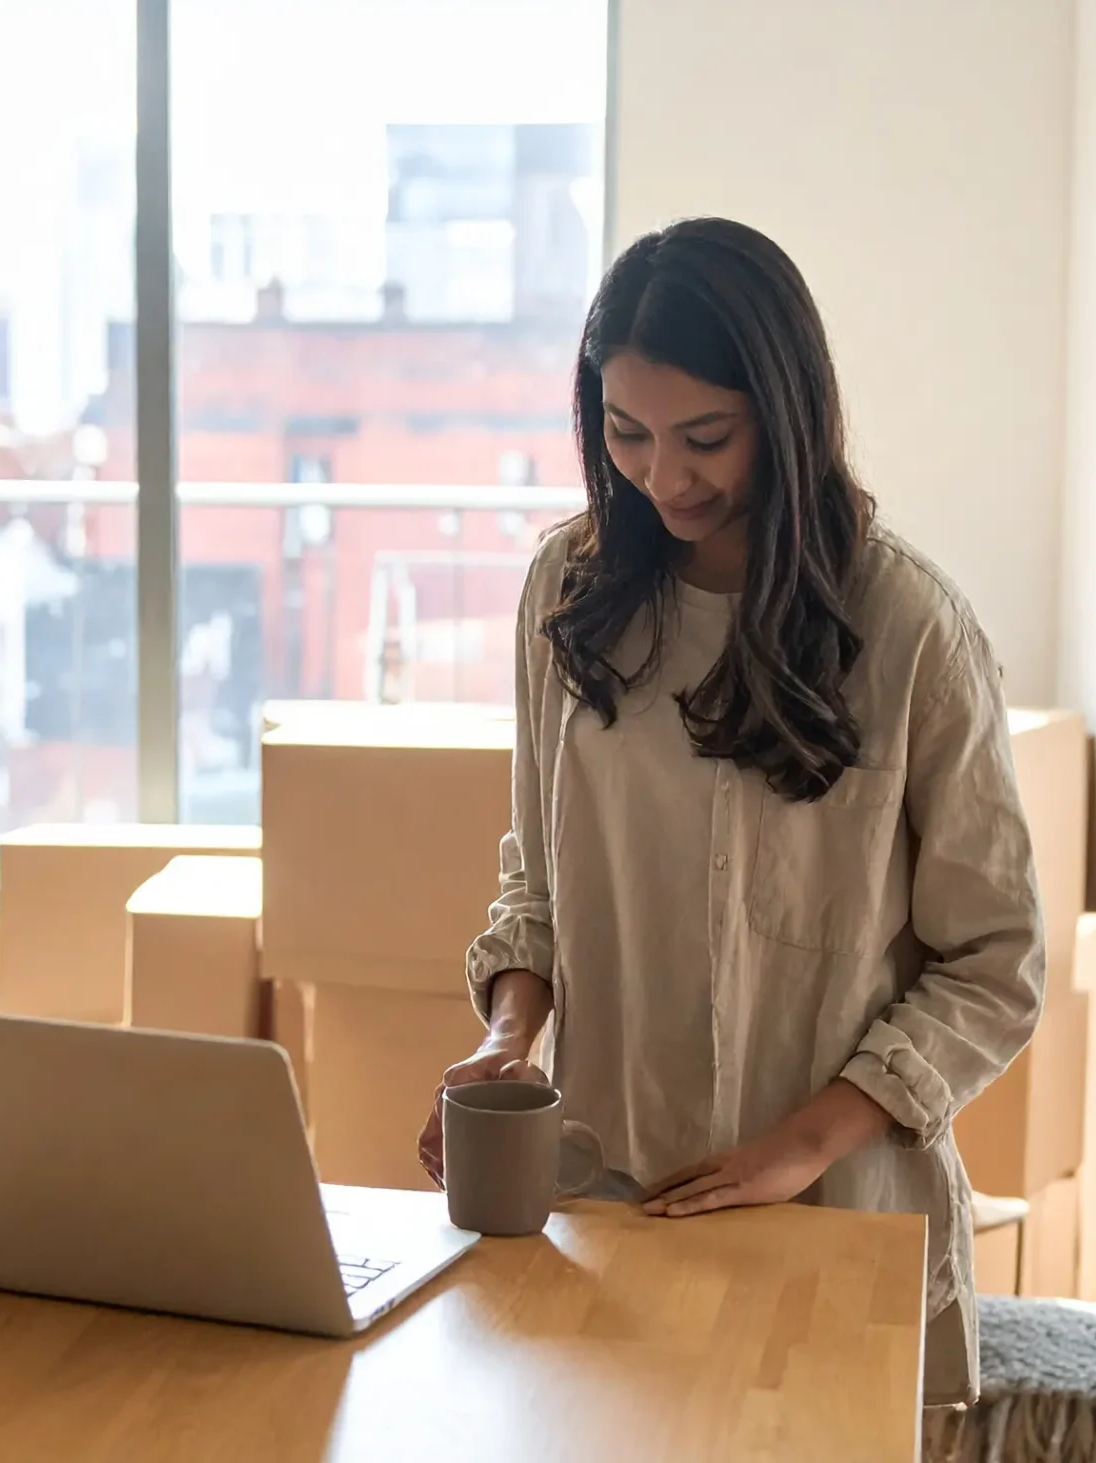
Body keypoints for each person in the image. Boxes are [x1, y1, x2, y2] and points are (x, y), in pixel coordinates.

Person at [415, 217, 1043, 1407]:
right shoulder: (568, 595)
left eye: (705, 437)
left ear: (786, 411)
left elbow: (995, 963)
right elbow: (536, 879)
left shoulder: (910, 628)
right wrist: (506, 1036)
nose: (665, 478)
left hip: (837, 1216)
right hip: (606, 1205)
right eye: (626, 433)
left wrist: (798, 1144)